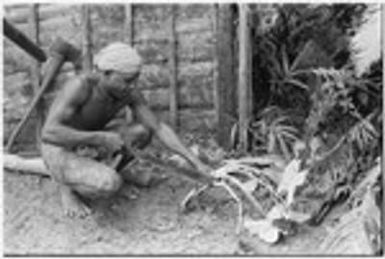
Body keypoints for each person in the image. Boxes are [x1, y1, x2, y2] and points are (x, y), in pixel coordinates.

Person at [41, 42, 212, 218]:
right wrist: (100, 138)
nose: (132, 86)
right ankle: (66, 188)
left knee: (142, 132)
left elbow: (158, 127)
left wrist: (194, 161)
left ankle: (110, 170)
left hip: (89, 142)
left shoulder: (127, 93)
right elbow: (49, 134)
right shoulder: (80, 87)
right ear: (106, 73)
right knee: (108, 184)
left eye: (135, 80)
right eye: (127, 80)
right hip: (59, 147)